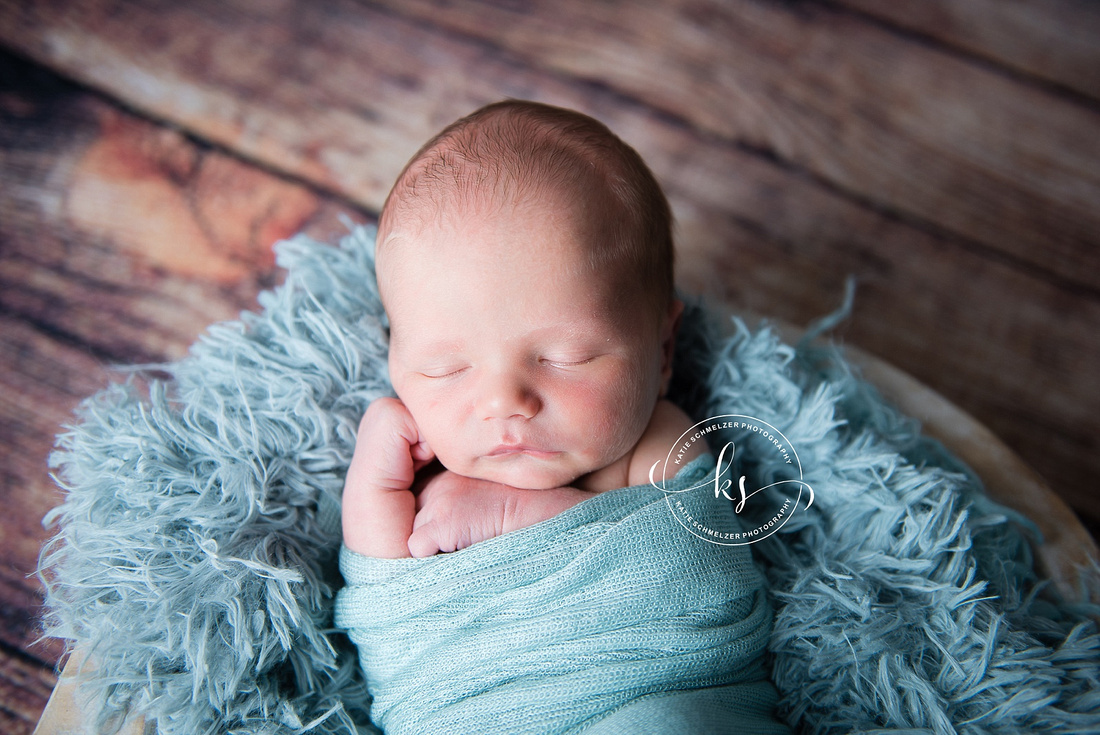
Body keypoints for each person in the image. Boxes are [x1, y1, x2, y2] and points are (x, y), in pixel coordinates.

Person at [341, 99, 707, 559]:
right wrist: (374, 487)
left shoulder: (658, 448)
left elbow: (689, 561)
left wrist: (511, 515)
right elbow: (383, 593)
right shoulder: (419, 465)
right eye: (445, 368)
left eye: (565, 357)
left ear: (664, 351)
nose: (503, 402)